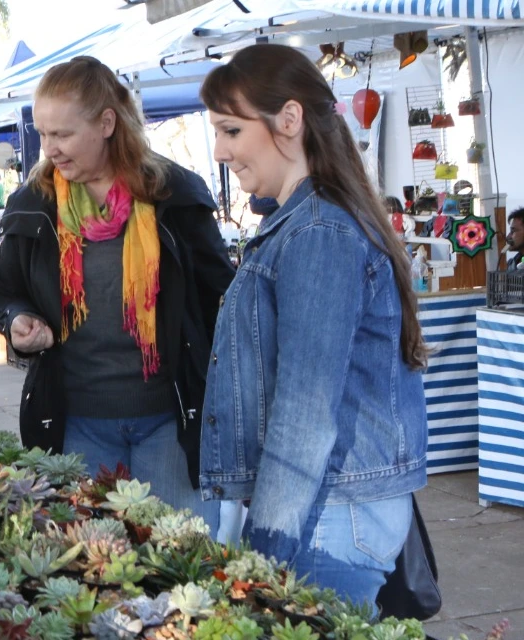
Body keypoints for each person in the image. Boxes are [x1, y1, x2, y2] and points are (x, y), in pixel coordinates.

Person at [199, 43, 428, 608]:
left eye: (231, 130)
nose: (220, 149)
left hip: (326, 513)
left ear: (290, 119)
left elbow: (307, 410)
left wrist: (267, 548)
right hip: (327, 506)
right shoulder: (305, 222)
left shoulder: (317, 233)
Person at [0, 56, 234, 534]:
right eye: (43, 134)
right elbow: (5, 294)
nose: (50, 149)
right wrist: (17, 322)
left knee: (179, 558)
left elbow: (220, 299)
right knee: (93, 567)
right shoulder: (32, 203)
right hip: (75, 422)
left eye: (62, 134)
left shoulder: (175, 194)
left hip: (171, 423)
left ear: (106, 123)